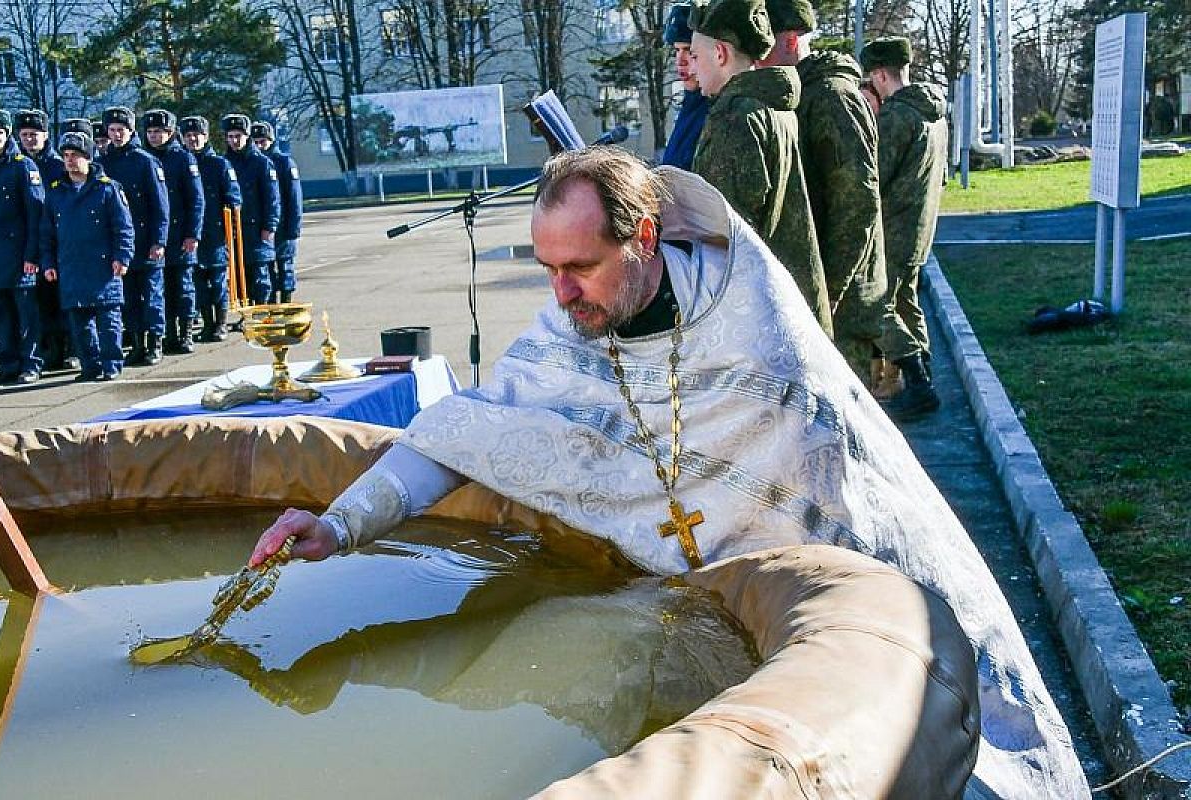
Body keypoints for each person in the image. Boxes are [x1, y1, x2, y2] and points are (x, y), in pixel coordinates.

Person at [250, 146, 1089, 798]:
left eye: (579, 267)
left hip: (799, 627)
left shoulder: (759, 343)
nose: (560, 292)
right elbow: (469, 433)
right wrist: (339, 524)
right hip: (654, 612)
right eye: (547, 268)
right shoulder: (568, 329)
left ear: (644, 237)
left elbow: (832, 519)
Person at [758, 0, 888, 386]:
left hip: (847, 308)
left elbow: (858, 202)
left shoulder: (832, 96)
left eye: (764, 43)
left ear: (791, 40)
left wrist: (828, 289)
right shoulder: (803, 94)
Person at [687, 0, 832, 337]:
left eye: (695, 56)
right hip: (794, 308)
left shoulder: (735, 119)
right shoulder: (774, 108)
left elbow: (723, 241)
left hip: (760, 325)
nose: (691, 69)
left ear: (720, 54)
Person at [860, 37, 948, 420]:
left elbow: (874, 176)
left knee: (875, 304)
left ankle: (915, 378)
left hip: (893, 228)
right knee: (906, 301)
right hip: (920, 228)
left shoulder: (897, 116)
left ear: (880, 74)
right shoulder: (934, 114)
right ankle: (923, 378)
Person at [39, 132, 134, 382]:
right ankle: (90, 366)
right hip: (71, 266)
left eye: (76, 156)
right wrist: (48, 262)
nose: (70, 161)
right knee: (79, 323)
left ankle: (111, 364)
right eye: (66, 156)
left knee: (108, 320)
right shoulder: (56, 192)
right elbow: (46, 232)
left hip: (104, 266)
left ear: (88, 158)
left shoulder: (108, 189)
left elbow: (123, 227)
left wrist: (122, 257)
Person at [100, 106, 171, 367]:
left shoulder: (146, 162)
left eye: (121, 130)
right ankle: (137, 344)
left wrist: (159, 240)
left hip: (146, 239)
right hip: (121, 244)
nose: (117, 135)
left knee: (151, 296)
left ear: (131, 131)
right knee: (127, 297)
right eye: (112, 130)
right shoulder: (104, 163)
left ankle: (155, 343)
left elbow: (161, 206)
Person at [142, 108, 204, 355]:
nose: (155, 136)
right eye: (150, 132)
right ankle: (167, 333)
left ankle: (185, 333)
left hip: (180, 235)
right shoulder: (145, 158)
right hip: (156, 236)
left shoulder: (183, 158)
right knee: (161, 289)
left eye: (159, 132)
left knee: (183, 287)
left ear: (170, 133)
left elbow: (196, 200)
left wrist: (193, 234)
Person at [0, 108, 45, 385]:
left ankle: (31, 364)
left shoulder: (22, 165)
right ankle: (8, 363)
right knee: (0, 316)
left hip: (19, 256)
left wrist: (32, 254)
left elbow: (36, 215)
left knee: (26, 316)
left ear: (7, 134)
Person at [179, 115, 240, 342]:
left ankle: (221, 324)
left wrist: (232, 230)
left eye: (197, 135)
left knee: (217, 283)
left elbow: (233, 199)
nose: (193, 139)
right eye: (188, 136)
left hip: (215, 233)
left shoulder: (219, 164)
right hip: (192, 234)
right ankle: (207, 323)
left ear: (205, 137)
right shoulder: (183, 162)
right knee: (198, 284)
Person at [222, 114, 279, 305]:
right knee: (241, 276)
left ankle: (262, 311)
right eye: (230, 136)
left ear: (246, 136)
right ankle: (247, 313)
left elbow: (272, 198)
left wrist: (269, 225)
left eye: (238, 136)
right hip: (236, 229)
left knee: (260, 276)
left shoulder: (261, 162)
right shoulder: (225, 162)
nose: (234, 141)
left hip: (256, 228)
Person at [251, 121, 302, 304]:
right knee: (266, 271)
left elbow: (294, 199)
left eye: (262, 141)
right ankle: (271, 306)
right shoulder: (254, 164)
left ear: (271, 141)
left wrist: (293, 229)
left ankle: (286, 303)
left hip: (284, 227)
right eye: (255, 141)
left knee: (285, 268)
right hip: (263, 227)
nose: (259, 146)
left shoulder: (284, 162)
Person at [659, 3, 709, 171]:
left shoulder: (716, 109)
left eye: (688, 50)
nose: (680, 61)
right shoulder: (690, 104)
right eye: (676, 51)